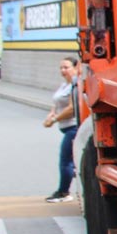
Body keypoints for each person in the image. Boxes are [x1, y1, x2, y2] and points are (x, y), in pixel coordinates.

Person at [43, 55, 81, 203]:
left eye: (66, 67)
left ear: (76, 68)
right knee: (70, 161)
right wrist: (51, 114)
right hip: (66, 127)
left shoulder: (75, 85)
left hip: (73, 127)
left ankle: (64, 192)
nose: (63, 70)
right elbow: (56, 104)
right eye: (61, 67)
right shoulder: (64, 85)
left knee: (66, 161)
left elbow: (72, 109)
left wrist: (53, 120)